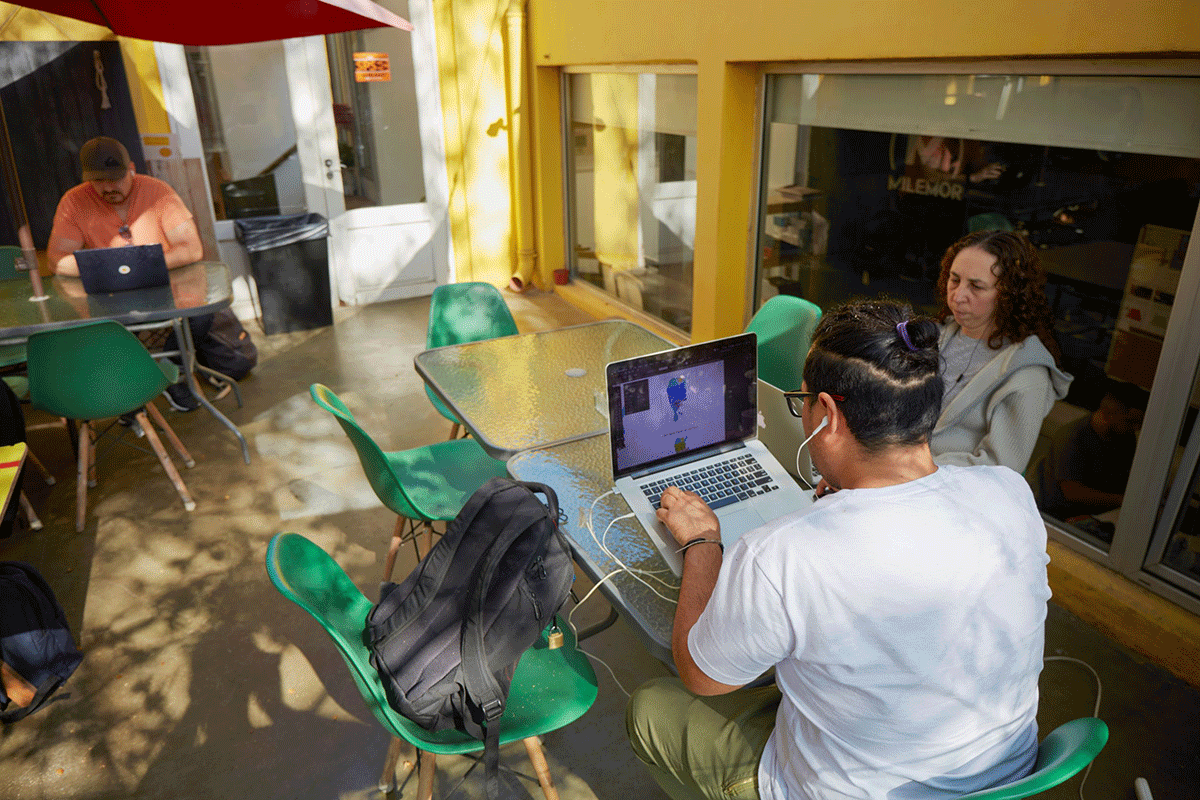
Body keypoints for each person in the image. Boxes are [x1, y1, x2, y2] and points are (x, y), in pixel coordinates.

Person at [627, 299, 1051, 800]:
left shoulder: (780, 555)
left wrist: (702, 543)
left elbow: (701, 676)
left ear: (826, 413)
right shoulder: (1007, 492)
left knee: (651, 705)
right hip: (1004, 778)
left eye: (800, 401)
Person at [46, 136, 205, 411]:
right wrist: (109, 270)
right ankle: (130, 391)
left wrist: (145, 266)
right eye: (99, 181)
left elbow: (192, 249)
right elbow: (57, 261)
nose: (108, 188)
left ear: (131, 168)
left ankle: (172, 370)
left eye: (116, 179)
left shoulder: (158, 192)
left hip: (166, 288)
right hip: (111, 295)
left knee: (202, 313)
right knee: (99, 329)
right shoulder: (74, 201)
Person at [930, 230, 1072, 473]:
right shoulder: (932, 337)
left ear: (1008, 295)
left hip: (948, 502)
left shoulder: (1027, 376)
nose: (958, 295)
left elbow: (1000, 469)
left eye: (976, 286)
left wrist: (912, 467)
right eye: (954, 279)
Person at [1028, 379, 1149, 520]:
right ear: (1107, 414)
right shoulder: (1073, 437)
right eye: (1130, 421)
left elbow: (1123, 476)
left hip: (1098, 514)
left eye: (1139, 423)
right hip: (1058, 516)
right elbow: (1071, 492)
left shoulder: (1125, 438)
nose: (1136, 428)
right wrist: (1121, 500)